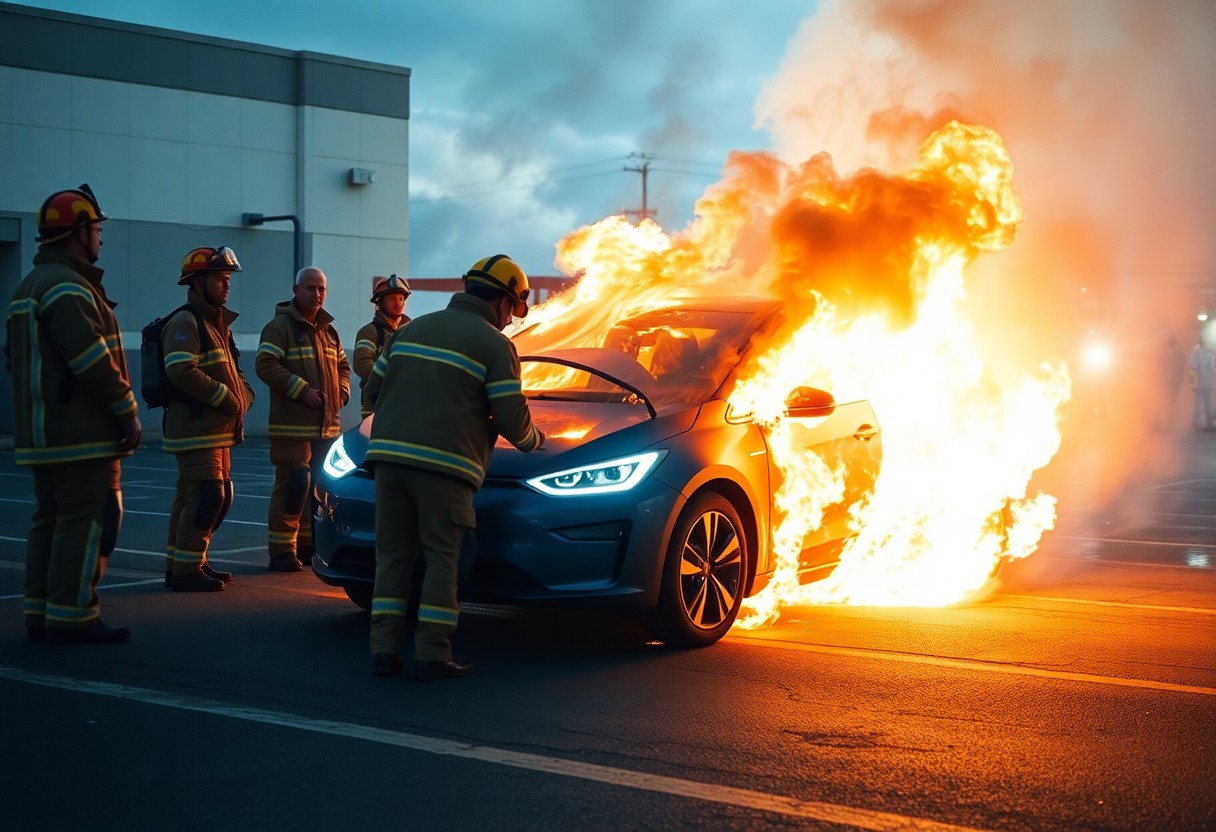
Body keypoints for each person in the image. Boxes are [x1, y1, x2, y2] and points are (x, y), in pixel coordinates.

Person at [364, 254, 545, 681]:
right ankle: (432, 653)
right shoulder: (495, 344)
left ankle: (383, 650)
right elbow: (508, 416)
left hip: (387, 463)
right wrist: (534, 440)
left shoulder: (410, 330)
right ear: (502, 301)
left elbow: (373, 390)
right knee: (443, 560)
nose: (509, 322)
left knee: (392, 558)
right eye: (512, 312)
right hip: (444, 470)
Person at [4, 184, 141, 644]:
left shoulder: (30, 285)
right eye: (97, 229)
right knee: (89, 519)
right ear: (80, 232)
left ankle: (41, 613)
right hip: (81, 433)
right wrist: (126, 411)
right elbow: (89, 359)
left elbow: (14, 358)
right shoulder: (68, 286)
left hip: (44, 434)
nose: (101, 238)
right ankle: (73, 616)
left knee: (51, 519)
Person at [161, 246, 255, 591]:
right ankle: (186, 571)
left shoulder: (215, 323)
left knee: (198, 496)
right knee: (206, 496)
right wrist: (228, 399)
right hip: (196, 428)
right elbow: (180, 370)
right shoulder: (186, 321)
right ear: (197, 282)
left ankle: (186, 562)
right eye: (219, 278)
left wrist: (244, 395)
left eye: (227, 278)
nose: (226, 284)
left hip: (214, 428)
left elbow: (232, 369)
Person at [255, 266, 351, 572]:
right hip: (291, 426)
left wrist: (341, 394)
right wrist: (301, 390)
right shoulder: (279, 327)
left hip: (326, 426)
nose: (317, 294)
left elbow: (344, 368)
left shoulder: (329, 331)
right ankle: (282, 550)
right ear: (296, 291)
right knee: (293, 484)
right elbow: (265, 364)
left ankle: (309, 547)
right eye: (310, 288)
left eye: (321, 289)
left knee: (318, 488)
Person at [353, 274, 411, 418]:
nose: (398, 303)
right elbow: (362, 365)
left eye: (401, 299)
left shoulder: (411, 332)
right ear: (380, 302)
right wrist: (393, 380)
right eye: (392, 299)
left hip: (403, 408)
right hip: (376, 410)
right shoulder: (369, 332)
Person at [1189, 338, 1216, 430]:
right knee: (1209, 401)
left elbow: (1193, 365)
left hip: (1198, 381)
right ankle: (1210, 420)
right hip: (1208, 381)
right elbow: (1213, 367)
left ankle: (1195, 420)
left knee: (1198, 402)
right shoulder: (1211, 353)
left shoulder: (1195, 353)